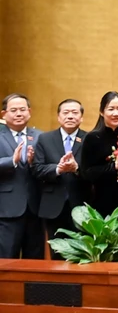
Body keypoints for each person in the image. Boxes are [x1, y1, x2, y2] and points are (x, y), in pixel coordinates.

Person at [33, 98, 88, 257]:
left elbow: (93, 172)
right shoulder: (45, 139)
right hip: (53, 206)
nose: (70, 116)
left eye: (75, 113)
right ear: (58, 117)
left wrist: (77, 169)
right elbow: (37, 168)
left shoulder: (89, 139)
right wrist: (58, 169)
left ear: (81, 117)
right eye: (66, 113)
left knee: (82, 254)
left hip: (81, 205)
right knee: (56, 254)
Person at [80, 91, 118, 217]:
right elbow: (86, 173)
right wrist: (114, 167)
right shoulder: (92, 138)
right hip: (102, 198)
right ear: (102, 112)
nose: (116, 113)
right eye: (111, 109)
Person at [0, 93, 44, 259]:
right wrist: (11, 161)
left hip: (35, 208)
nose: (18, 113)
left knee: (34, 260)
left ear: (29, 112)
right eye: (13, 110)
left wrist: (35, 163)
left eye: (22, 109)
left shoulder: (40, 137)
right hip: (7, 209)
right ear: (4, 114)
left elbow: (45, 168)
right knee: (6, 261)